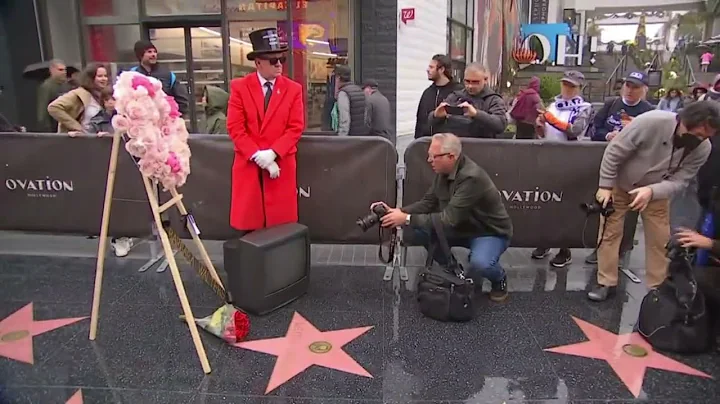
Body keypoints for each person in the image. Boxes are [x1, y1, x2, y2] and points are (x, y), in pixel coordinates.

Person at [588, 102, 719, 301]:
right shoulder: (650, 122)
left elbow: (681, 180)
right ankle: (606, 281)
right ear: (686, 122)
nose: (702, 140)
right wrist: (605, 186)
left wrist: (651, 191)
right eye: (700, 134)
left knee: (660, 239)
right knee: (609, 233)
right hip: (621, 184)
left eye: (708, 136)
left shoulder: (703, 148)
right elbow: (614, 152)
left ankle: (657, 288)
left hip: (656, 192)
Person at [373, 133, 513, 302]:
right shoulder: (445, 171)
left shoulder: (471, 177)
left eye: (434, 156)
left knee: (480, 263)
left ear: (451, 156)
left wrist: (406, 218)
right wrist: (397, 211)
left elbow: (448, 219)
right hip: (462, 227)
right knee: (419, 231)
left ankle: (499, 279)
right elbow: (427, 203)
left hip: (489, 232)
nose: (429, 160)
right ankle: (454, 271)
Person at [226, 27, 304, 232]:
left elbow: (295, 127)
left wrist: (272, 153)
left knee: (280, 228)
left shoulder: (293, 89)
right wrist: (256, 155)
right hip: (249, 166)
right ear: (258, 62)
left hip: (281, 164)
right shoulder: (239, 88)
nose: (279, 64)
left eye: (282, 59)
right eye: (273, 60)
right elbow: (235, 127)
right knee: (250, 227)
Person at [531, 70, 593, 267]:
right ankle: (546, 241)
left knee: (565, 205)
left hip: (570, 160)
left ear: (579, 88)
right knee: (545, 202)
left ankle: (564, 249)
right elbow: (544, 133)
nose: (567, 89)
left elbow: (575, 130)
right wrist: (540, 125)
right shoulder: (553, 105)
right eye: (565, 84)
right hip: (549, 158)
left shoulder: (584, 107)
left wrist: (551, 120)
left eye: (572, 86)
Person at [429, 63, 507, 138]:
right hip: (456, 146)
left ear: (485, 80)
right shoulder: (455, 96)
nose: (470, 86)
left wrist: (476, 114)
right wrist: (436, 115)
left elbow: (500, 125)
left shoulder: (493, 100)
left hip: (482, 148)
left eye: (475, 82)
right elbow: (431, 121)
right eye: (467, 81)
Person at [131, 40, 190, 116]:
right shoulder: (132, 75)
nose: (153, 55)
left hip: (164, 121)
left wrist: (175, 117)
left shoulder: (168, 74)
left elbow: (182, 100)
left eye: (155, 52)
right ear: (140, 55)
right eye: (149, 52)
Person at [47, 63, 109, 133]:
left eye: (105, 76)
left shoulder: (104, 95)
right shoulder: (79, 93)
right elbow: (53, 107)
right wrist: (76, 127)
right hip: (79, 140)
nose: (104, 79)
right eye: (100, 76)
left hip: (99, 139)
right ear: (90, 78)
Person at [414, 54, 463, 138]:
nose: (427, 70)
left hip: (450, 145)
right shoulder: (427, 93)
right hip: (428, 145)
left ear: (441, 69)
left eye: (431, 67)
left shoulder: (458, 92)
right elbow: (420, 123)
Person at [334, 64, 368, 136]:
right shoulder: (359, 90)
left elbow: (345, 120)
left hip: (351, 137)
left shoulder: (343, 93)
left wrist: (340, 139)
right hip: (362, 135)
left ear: (338, 78)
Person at [36, 59, 67, 132]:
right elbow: (43, 108)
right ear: (52, 70)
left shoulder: (65, 85)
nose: (64, 72)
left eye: (65, 70)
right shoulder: (47, 86)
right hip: (53, 124)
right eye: (60, 70)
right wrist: (46, 127)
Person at [362, 79, 393, 144]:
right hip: (386, 137)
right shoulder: (384, 99)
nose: (363, 92)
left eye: (364, 90)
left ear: (368, 88)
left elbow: (367, 122)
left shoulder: (369, 100)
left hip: (375, 138)